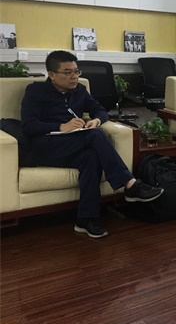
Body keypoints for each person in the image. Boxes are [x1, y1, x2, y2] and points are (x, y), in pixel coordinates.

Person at [21, 50, 163, 238]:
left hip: (73, 143)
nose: (74, 77)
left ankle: (85, 220)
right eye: (67, 73)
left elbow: (100, 110)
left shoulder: (79, 90)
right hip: (46, 146)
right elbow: (28, 125)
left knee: (91, 157)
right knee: (95, 136)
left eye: (76, 71)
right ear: (52, 75)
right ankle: (130, 184)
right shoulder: (35, 91)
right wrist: (61, 126)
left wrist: (96, 120)